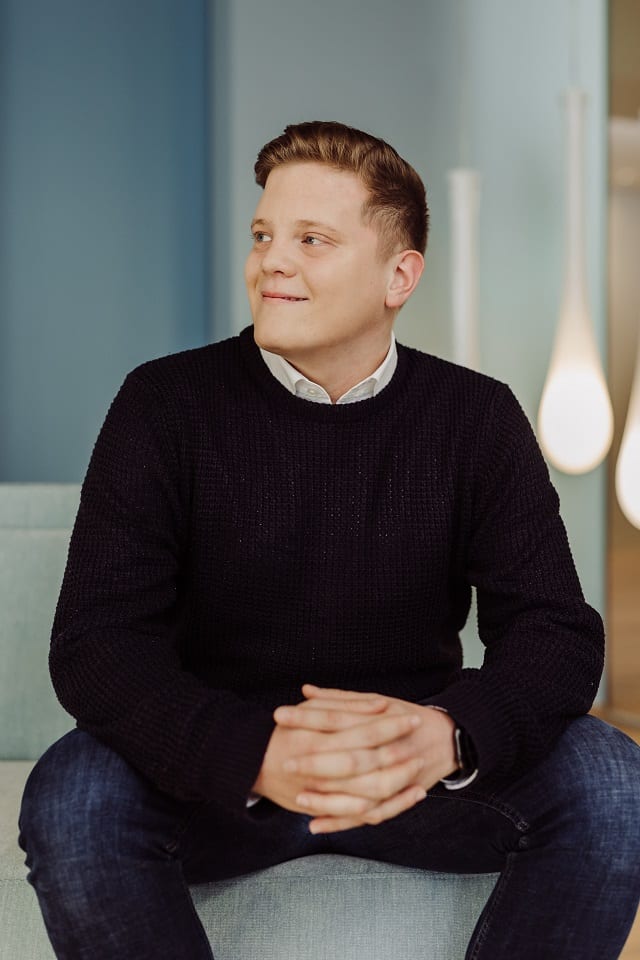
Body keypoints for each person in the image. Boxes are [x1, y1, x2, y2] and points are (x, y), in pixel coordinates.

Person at [18, 120, 640, 959]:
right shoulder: (162, 405)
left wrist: (449, 734)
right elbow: (97, 644)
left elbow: (555, 631)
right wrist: (255, 754)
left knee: (612, 781)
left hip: (413, 777)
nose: (272, 261)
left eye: (311, 239)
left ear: (399, 276)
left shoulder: (477, 417)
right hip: (221, 779)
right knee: (74, 794)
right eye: (263, 235)